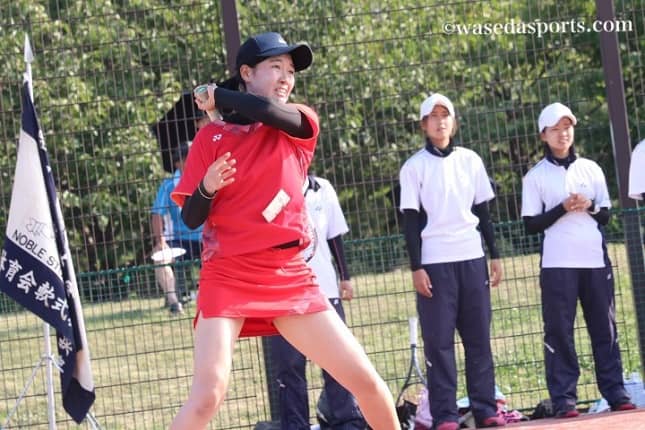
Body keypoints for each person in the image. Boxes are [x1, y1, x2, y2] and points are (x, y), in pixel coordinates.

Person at [168, 32, 400, 430]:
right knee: (207, 395)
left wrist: (220, 95)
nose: (286, 78)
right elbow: (191, 218)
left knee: (367, 383)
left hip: (288, 275)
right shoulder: (210, 137)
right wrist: (207, 186)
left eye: (290, 71)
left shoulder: (299, 122)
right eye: (275, 67)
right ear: (246, 72)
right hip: (227, 275)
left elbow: (265, 110)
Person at [521, 102, 636, 418]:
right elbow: (531, 224)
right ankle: (564, 400)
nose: (563, 134)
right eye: (555, 129)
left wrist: (589, 206)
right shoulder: (535, 176)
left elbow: (606, 215)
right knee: (559, 331)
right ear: (543, 135)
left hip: (595, 262)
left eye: (567, 127)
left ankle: (616, 393)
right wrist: (562, 208)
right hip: (557, 265)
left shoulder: (591, 169)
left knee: (605, 329)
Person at [399, 93, 505, 430]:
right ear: (423, 124)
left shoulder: (471, 161)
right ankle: (445, 415)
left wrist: (495, 255)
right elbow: (410, 222)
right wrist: (417, 267)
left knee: (478, 339)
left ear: (454, 122)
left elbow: (484, 213)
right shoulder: (413, 167)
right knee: (439, 342)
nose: (440, 121)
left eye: (445, 115)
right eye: (433, 116)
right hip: (435, 263)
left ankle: (485, 409)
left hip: (472, 258)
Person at [269, 175, 366, 430]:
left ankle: (346, 421)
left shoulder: (323, 188)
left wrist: (345, 277)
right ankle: (296, 425)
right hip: (283, 295)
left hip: (325, 291)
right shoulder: (267, 186)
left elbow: (334, 236)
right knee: (289, 366)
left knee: (338, 361)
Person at [151, 141, 206, 314]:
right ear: (178, 163)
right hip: (178, 240)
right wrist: (160, 241)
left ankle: (207, 299)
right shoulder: (168, 185)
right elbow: (157, 214)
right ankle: (174, 303)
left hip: (206, 238)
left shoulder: (207, 179)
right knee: (160, 258)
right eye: (190, 157)